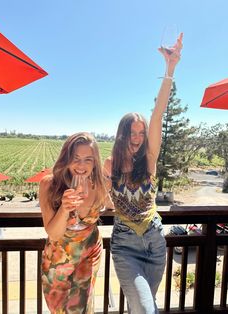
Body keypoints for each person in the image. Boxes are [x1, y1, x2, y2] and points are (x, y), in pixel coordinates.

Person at [103, 33, 183, 313]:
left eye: (141, 132)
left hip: (155, 241)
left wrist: (169, 70)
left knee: (145, 306)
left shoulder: (149, 160)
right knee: (146, 309)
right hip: (125, 245)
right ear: (122, 134)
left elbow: (158, 114)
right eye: (131, 132)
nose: (137, 137)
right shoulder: (109, 165)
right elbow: (103, 202)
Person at [39, 132, 107, 314]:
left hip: (89, 254)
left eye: (88, 160)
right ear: (66, 158)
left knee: (80, 309)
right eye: (76, 158)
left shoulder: (101, 184)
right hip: (58, 260)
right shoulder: (48, 185)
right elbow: (53, 234)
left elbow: (112, 204)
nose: (81, 166)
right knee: (60, 310)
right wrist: (64, 208)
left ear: (95, 163)